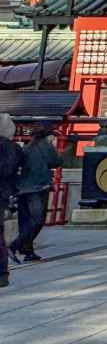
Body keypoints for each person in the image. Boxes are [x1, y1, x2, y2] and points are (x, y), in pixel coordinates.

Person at [12, 125, 61, 263]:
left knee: (25, 221)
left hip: (22, 189)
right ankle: (15, 245)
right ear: (48, 136)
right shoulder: (47, 147)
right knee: (37, 221)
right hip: (38, 188)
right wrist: (56, 150)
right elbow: (56, 162)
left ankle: (28, 251)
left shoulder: (26, 147)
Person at [0, 114, 23, 288]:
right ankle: (2, 273)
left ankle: (2, 273)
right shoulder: (15, 148)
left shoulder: (6, 148)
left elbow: (5, 170)